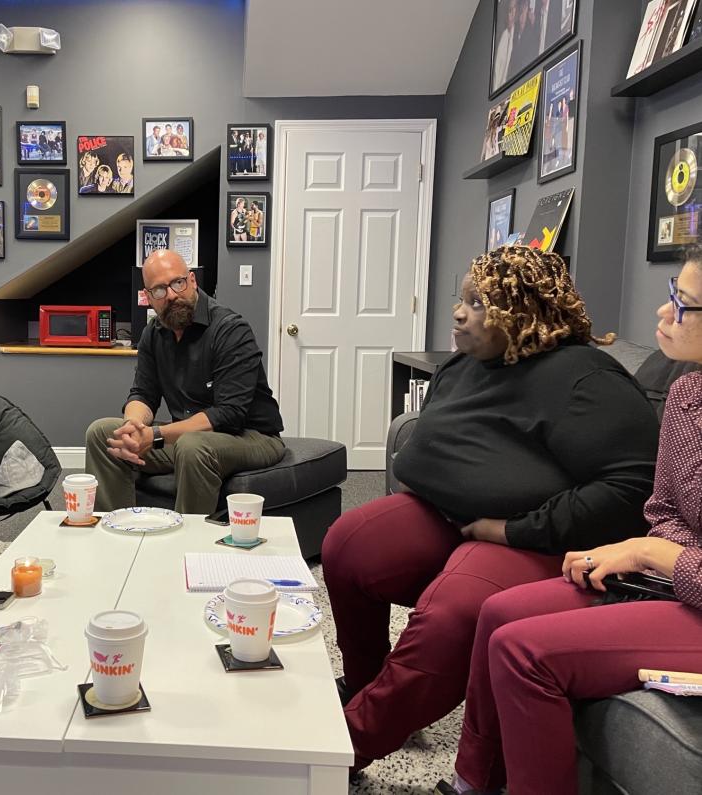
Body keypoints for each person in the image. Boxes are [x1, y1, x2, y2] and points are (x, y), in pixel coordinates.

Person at [321, 246, 659, 781]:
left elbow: (628, 491)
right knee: (348, 543)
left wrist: (512, 529)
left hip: (535, 541)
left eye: (478, 303)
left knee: (451, 612)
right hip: (445, 514)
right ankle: (368, 686)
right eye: (463, 298)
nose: (459, 313)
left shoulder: (586, 380)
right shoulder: (467, 365)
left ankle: (347, 746)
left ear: (522, 310)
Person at [435, 245, 702, 795]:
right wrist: (643, 557)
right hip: (672, 580)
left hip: (689, 590)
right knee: (498, 614)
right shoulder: (688, 393)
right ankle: (475, 784)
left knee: (524, 652)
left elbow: (657, 533)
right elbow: (664, 511)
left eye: (682, 302)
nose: (662, 310)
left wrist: (650, 554)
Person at [84, 249, 285, 515]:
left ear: (192, 280)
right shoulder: (153, 334)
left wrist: (155, 435)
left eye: (177, 283)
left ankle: (186, 549)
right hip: (188, 436)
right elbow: (143, 394)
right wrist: (132, 427)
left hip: (252, 436)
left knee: (193, 445)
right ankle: (119, 532)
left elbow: (229, 414)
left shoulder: (230, 329)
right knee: (102, 433)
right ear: (148, 297)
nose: (171, 295)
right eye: (158, 290)